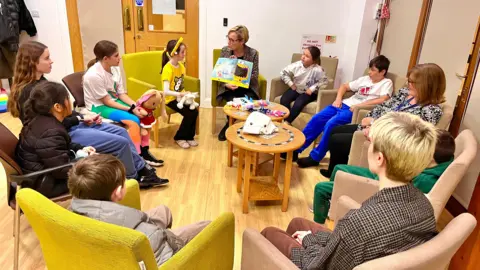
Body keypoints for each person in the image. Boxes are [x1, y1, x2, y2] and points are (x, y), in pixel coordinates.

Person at [261, 112, 438, 269]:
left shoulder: (358, 223)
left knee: (269, 233)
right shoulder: (425, 206)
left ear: (379, 158)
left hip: (329, 262)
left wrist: (308, 242)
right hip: (364, 253)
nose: (368, 145)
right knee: (297, 224)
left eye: (371, 143)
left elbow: (317, 266)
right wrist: (310, 239)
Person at [7, 41, 166, 187]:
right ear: (34, 62)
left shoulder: (41, 82)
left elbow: (60, 115)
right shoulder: (30, 93)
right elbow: (48, 127)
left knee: (121, 132)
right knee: (120, 142)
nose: (52, 61)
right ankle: (134, 179)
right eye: (47, 58)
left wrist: (82, 117)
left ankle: (141, 169)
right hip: (64, 134)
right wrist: (78, 119)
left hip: (68, 127)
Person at [69, 154, 210, 267]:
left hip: (117, 229)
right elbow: (168, 263)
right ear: (118, 192)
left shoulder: (73, 211)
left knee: (163, 211)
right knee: (207, 226)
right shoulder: (144, 236)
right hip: (154, 247)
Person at [322, 63, 446, 178]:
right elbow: (384, 106)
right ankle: (334, 173)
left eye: (413, 82)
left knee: (338, 140)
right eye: (409, 80)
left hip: (385, 139)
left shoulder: (430, 110)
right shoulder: (405, 93)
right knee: (335, 130)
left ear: (427, 86)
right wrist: (369, 119)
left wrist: (373, 125)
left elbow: (409, 135)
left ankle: (337, 178)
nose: (409, 84)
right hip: (374, 127)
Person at [312, 129, 455, 223]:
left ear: (429, 156)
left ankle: (318, 224)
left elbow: (400, 195)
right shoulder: (444, 159)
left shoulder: (425, 179)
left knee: (320, 188)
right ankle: (332, 205)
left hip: (381, 184)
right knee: (338, 168)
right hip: (386, 176)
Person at [293, 55, 393, 168]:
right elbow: (344, 86)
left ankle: (315, 157)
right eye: (369, 69)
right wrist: (338, 99)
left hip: (355, 110)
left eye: (373, 70)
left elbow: (383, 99)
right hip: (343, 104)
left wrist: (359, 105)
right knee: (317, 118)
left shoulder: (386, 83)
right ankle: (296, 150)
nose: (369, 72)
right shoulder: (365, 79)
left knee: (331, 124)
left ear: (382, 72)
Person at [83, 40, 163, 166]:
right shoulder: (93, 75)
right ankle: (138, 156)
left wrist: (136, 106)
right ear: (106, 58)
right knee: (134, 120)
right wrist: (131, 110)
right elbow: (107, 102)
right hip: (99, 106)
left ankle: (145, 150)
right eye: (116, 55)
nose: (119, 57)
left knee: (145, 114)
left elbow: (121, 94)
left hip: (112, 100)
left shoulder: (115, 69)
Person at [15, 81, 96, 198]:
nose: (69, 102)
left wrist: (81, 148)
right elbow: (62, 170)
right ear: (57, 107)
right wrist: (87, 161)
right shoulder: (51, 131)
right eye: (67, 98)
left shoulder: (40, 121)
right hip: (46, 184)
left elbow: (58, 149)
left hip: (40, 177)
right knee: (99, 175)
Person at [217, 25, 260, 141]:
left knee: (249, 102)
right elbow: (219, 73)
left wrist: (238, 68)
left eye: (232, 40)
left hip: (247, 87)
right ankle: (230, 124)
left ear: (242, 41)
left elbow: (255, 74)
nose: (228, 42)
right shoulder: (225, 50)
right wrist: (226, 84)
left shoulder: (253, 53)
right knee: (232, 101)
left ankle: (238, 126)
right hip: (229, 87)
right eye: (228, 38)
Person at [160, 39, 199, 149]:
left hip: (180, 97)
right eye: (182, 52)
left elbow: (180, 85)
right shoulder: (167, 69)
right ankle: (179, 137)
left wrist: (185, 94)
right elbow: (165, 92)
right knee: (189, 113)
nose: (184, 54)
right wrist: (180, 95)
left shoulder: (181, 66)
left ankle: (189, 137)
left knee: (194, 112)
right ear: (175, 53)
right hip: (170, 99)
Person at [279, 46, 328, 124]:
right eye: (303, 54)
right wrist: (290, 83)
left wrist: (312, 89)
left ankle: (287, 122)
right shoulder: (297, 65)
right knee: (284, 99)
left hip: (309, 93)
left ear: (314, 60)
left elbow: (324, 82)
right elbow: (283, 73)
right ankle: (286, 120)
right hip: (296, 88)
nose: (303, 57)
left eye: (307, 56)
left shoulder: (318, 70)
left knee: (298, 103)